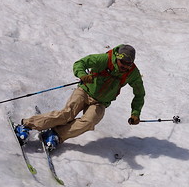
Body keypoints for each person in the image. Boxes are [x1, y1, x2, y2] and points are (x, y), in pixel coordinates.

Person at [14, 44, 145, 150]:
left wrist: (135, 113)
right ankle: (26, 125)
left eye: (129, 64)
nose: (125, 66)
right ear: (117, 57)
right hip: (85, 91)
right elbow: (80, 63)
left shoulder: (132, 73)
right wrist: (82, 74)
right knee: (67, 114)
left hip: (100, 103)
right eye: (123, 62)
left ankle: (56, 134)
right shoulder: (103, 60)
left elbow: (139, 94)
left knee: (89, 122)